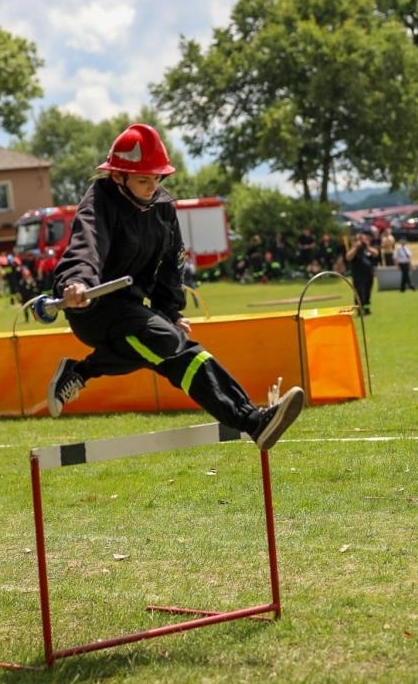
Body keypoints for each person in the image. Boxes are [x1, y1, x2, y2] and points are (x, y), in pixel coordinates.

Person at [45, 123, 304, 450]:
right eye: (143, 180)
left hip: (133, 309)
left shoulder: (164, 208)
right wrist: (77, 282)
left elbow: (172, 264)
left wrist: (169, 310)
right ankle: (83, 371)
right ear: (118, 176)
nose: (152, 187)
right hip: (93, 308)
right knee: (168, 340)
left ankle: (254, 422)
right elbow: (87, 245)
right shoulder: (98, 200)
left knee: (182, 351)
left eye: (157, 178)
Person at [345, 231, 379, 314]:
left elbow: (376, 254)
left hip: (368, 274)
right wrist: (356, 247)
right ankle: (359, 309)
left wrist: (367, 246)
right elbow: (348, 257)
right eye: (359, 239)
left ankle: (367, 309)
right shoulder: (354, 249)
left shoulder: (368, 248)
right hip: (358, 275)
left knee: (368, 291)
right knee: (359, 292)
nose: (361, 241)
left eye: (363, 239)